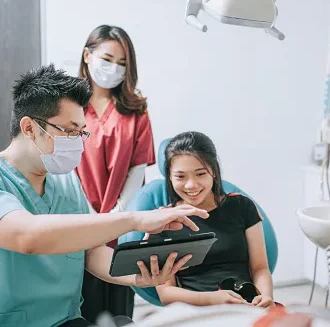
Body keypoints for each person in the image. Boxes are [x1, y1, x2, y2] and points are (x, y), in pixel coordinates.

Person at [0, 65, 209, 327]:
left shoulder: (67, 182)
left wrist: (135, 276)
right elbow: (27, 236)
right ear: (30, 128)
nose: (78, 141)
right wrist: (134, 219)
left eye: (81, 132)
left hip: (68, 321)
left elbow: (90, 251)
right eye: (69, 130)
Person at [74, 25, 156, 322]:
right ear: (87, 55)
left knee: (118, 308)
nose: (114, 69)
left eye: (122, 64)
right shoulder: (68, 105)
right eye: (108, 59)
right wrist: (89, 216)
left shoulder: (136, 110)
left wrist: (115, 217)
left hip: (120, 224)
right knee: (80, 303)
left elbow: (137, 170)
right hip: (76, 219)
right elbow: (60, 165)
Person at [147, 131, 274, 308]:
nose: (191, 185)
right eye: (180, 176)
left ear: (214, 171)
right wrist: (214, 299)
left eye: (200, 174)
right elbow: (166, 293)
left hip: (247, 306)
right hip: (196, 311)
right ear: (169, 176)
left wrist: (265, 297)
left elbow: (260, 268)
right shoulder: (163, 221)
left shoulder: (242, 206)